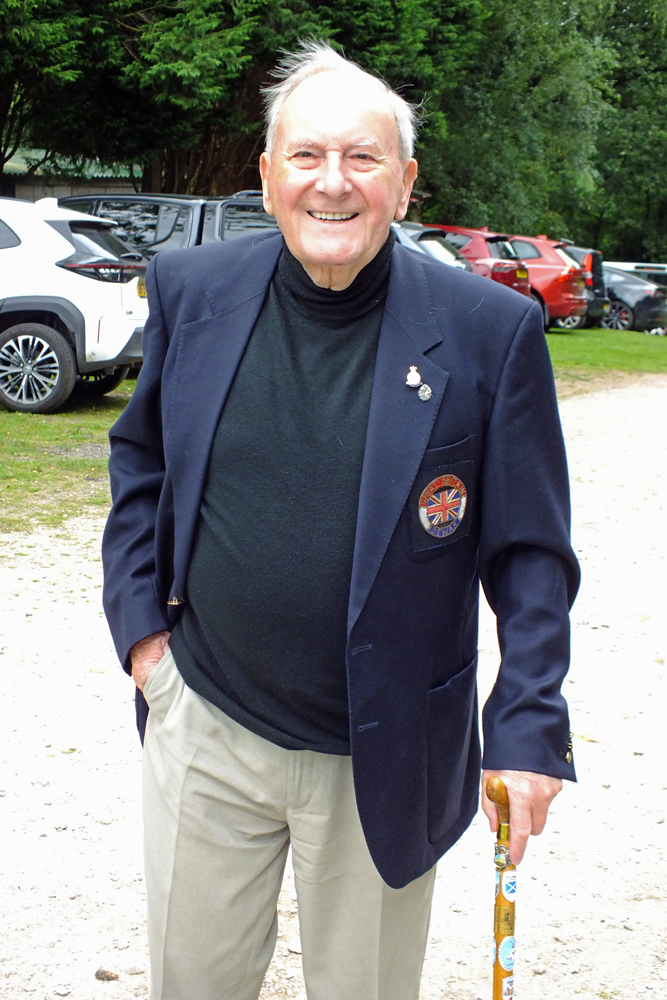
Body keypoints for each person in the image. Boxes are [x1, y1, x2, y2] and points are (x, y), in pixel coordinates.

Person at [102, 41, 579, 1000]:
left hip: (387, 748)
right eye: (307, 157)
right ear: (268, 175)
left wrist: (528, 725)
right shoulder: (193, 292)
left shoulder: (487, 331)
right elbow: (142, 462)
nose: (334, 184)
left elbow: (530, 554)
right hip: (207, 721)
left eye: (362, 159)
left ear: (403, 184)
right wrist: (144, 644)